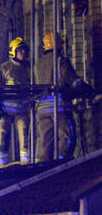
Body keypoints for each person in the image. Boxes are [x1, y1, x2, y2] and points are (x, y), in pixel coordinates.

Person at [34, 31, 89, 162]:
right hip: (59, 107)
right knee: (67, 136)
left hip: (42, 110)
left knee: (45, 141)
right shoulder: (60, 61)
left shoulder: (38, 64)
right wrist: (87, 89)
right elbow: (72, 80)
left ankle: (43, 168)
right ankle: (62, 163)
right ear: (59, 45)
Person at [0, 37, 32, 167]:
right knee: (3, 139)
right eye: (20, 51)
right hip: (4, 111)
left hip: (22, 110)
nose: (23, 53)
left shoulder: (29, 68)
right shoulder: (5, 68)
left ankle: (26, 166)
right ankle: (1, 167)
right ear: (13, 52)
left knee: (26, 139)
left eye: (25, 51)